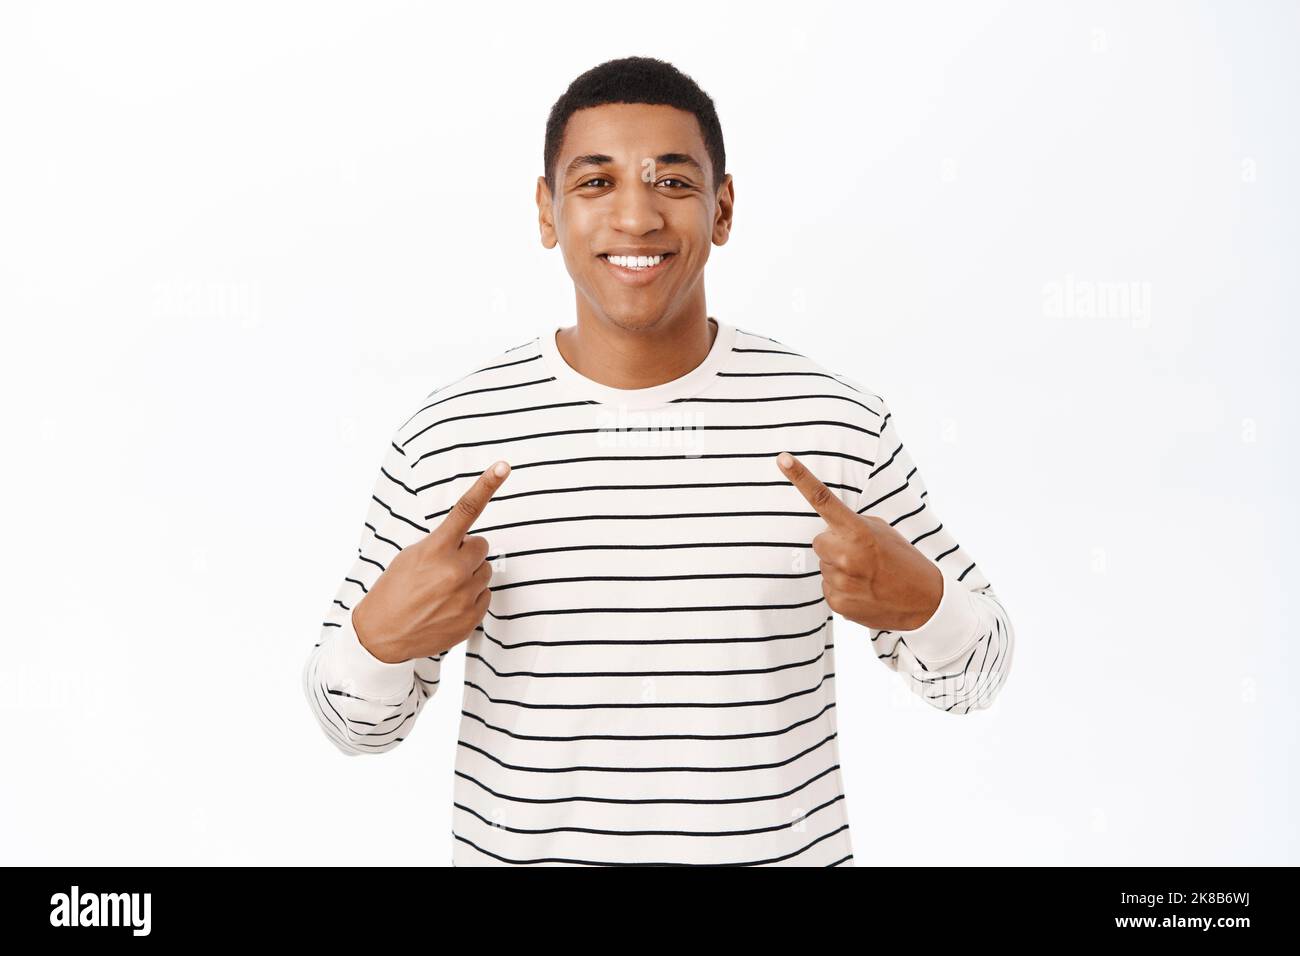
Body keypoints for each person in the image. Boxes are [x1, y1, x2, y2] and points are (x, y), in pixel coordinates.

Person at [301, 55, 1014, 867]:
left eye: (672, 183)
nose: (636, 219)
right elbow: (352, 725)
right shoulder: (452, 434)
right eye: (596, 183)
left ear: (724, 207)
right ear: (547, 211)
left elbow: (977, 677)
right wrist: (377, 642)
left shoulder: (833, 422)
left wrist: (924, 604)